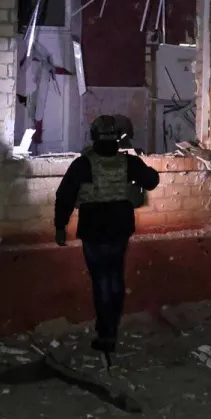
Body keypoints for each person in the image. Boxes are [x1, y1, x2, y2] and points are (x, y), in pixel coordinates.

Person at [54, 114, 160, 359]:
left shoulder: (83, 164)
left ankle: (105, 335)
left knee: (101, 281)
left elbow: (64, 196)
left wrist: (60, 227)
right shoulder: (127, 162)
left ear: (94, 136)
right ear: (117, 137)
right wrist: (141, 170)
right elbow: (152, 181)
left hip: (93, 231)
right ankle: (111, 331)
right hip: (119, 229)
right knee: (115, 278)